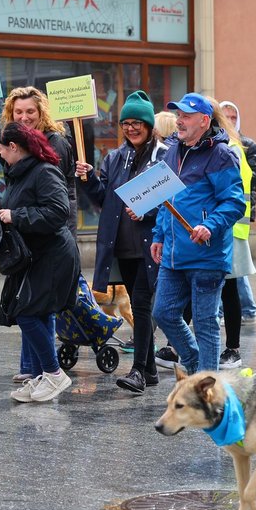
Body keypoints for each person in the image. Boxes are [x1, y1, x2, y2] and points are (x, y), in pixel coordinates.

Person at [75, 90, 168, 394]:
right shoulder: (115, 157)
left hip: (151, 244)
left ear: (149, 124)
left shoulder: (164, 155)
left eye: (137, 122)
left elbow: (172, 198)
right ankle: (151, 370)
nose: (131, 128)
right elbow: (105, 200)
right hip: (123, 248)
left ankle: (139, 371)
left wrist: (148, 211)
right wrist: (89, 181)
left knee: (141, 305)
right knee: (140, 305)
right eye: (125, 123)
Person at [0, 122, 80, 401]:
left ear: (14, 147)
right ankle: (39, 378)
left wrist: (16, 215)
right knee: (39, 313)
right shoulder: (18, 173)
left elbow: (59, 212)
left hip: (54, 255)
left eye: (0, 148)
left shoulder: (44, 171)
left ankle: (54, 374)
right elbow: (19, 205)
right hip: (35, 254)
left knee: (26, 312)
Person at [151, 92, 245, 374]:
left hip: (206, 254)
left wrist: (210, 225)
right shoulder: (172, 151)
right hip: (173, 253)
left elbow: (234, 202)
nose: (179, 121)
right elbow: (164, 198)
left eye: (186, 116)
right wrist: (158, 235)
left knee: (205, 322)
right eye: (178, 115)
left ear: (204, 121)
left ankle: (208, 384)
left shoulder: (221, 154)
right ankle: (194, 364)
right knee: (163, 313)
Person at [212, 98, 256, 369]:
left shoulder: (231, 148)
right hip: (223, 228)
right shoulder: (227, 146)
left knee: (229, 290)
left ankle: (232, 349)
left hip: (231, 229)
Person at [1, 86, 78, 237]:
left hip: (53, 233)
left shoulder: (55, 142)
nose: (24, 118)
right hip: (29, 226)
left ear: (41, 113)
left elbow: (53, 192)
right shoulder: (16, 143)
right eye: (18, 112)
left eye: (30, 111)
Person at [219, 100, 256, 323]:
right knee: (233, 273)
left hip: (238, 217)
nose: (229, 121)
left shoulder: (244, 145)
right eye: (225, 116)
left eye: (233, 117)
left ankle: (248, 309)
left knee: (236, 273)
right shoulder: (222, 143)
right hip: (228, 219)